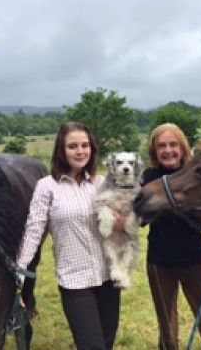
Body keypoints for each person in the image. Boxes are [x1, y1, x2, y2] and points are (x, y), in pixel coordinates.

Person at [17, 121, 123, 350]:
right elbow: (33, 233)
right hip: (75, 281)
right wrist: (19, 276)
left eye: (85, 145)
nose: (80, 151)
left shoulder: (102, 183)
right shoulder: (47, 187)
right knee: (92, 346)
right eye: (73, 146)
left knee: (107, 343)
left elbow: (122, 226)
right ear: (61, 150)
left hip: (108, 278)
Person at [142, 123, 201, 350]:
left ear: (182, 147)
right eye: (162, 145)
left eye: (173, 144)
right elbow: (141, 217)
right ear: (154, 150)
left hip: (193, 258)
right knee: (167, 322)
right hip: (159, 261)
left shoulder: (195, 175)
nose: (168, 150)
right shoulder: (149, 177)